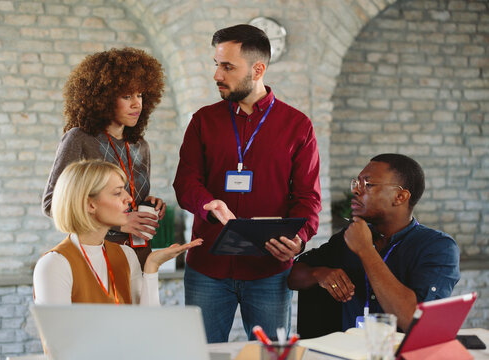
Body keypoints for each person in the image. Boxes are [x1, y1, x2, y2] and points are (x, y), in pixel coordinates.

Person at [173, 24, 321, 342]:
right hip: (206, 269)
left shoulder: (298, 125)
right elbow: (185, 182)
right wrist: (206, 203)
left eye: (228, 67)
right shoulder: (203, 121)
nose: (217, 75)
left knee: (270, 355)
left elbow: (308, 196)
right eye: (216, 64)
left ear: (257, 69)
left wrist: (299, 238)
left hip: (269, 271)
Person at [288, 153, 460, 332]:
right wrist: (319, 273)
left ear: (400, 196)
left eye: (368, 185)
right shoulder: (349, 236)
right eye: (357, 183)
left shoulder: (438, 247)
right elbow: (293, 276)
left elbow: (415, 321)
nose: (356, 191)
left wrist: (365, 250)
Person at [42, 47, 166, 268]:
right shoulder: (79, 139)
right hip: (96, 255)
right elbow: (53, 204)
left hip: (139, 255)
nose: (137, 103)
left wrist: (148, 205)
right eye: (127, 96)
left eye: (140, 95)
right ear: (103, 98)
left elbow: (123, 200)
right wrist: (119, 224)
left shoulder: (141, 146)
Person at [34, 160, 202, 305]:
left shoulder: (126, 255)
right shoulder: (54, 265)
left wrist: (152, 266)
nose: (129, 198)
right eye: (117, 192)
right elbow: (60, 341)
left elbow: (148, 326)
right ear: (90, 205)